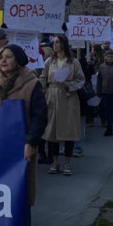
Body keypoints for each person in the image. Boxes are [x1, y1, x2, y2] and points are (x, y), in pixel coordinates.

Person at [0, 43, 47, 226]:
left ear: (18, 59)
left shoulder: (31, 83)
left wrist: (31, 142)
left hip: (20, 149)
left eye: (8, 57)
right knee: (0, 198)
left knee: (18, 198)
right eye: (1, 58)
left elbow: (40, 116)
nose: (3, 61)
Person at [40, 35, 85, 176]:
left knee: (68, 130)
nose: (55, 45)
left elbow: (81, 80)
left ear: (64, 44)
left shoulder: (74, 62)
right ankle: (55, 161)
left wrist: (69, 85)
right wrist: (40, 90)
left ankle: (67, 162)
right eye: (53, 42)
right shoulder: (49, 61)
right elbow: (43, 77)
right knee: (52, 130)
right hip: (52, 96)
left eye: (57, 42)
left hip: (68, 97)